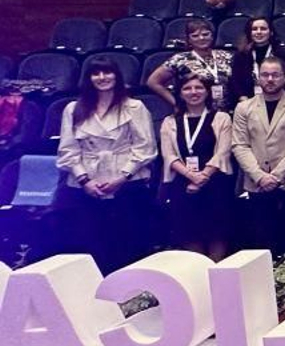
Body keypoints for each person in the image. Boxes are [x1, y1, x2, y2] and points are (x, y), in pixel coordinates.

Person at [55, 58, 157, 269]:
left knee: (130, 244)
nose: (102, 78)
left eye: (107, 72)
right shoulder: (73, 109)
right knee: (93, 246)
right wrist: (85, 181)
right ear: (89, 78)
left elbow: (145, 147)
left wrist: (121, 178)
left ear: (117, 75)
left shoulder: (134, 107)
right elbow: (68, 149)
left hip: (128, 184)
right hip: (86, 186)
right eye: (96, 73)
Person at [231, 56, 285, 258]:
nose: (270, 79)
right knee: (264, 243)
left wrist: (276, 176)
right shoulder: (244, 108)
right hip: (257, 184)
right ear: (258, 78)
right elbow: (239, 145)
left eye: (275, 75)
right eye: (265, 75)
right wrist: (260, 176)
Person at [160, 76, 234, 260]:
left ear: (207, 91)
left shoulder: (221, 118)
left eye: (199, 87)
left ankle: (217, 275)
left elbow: (223, 151)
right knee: (188, 232)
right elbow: (169, 155)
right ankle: (200, 276)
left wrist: (204, 176)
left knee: (218, 232)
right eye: (187, 88)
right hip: (182, 185)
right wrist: (191, 176)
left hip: (216, 184)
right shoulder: (169, 122)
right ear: (179, 92)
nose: (193, 92)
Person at [148, 20, 232, 109]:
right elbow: (153, 82)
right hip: (196, 110)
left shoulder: (227, 56)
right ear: (189, 39)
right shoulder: (180, 59)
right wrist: (177, 103)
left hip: (229, 109)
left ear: (212, 36)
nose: (201, 38)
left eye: (205, 34)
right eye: (195, 36)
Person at [226, 17, 285, 109]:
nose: (259, 32)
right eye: (254, 29)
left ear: (271, 32)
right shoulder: (241, 55)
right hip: (248, 103)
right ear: (249, 33)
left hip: (279, 101)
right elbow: (236, 80)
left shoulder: (283, 53)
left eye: (263, 29)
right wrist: (243, 99)